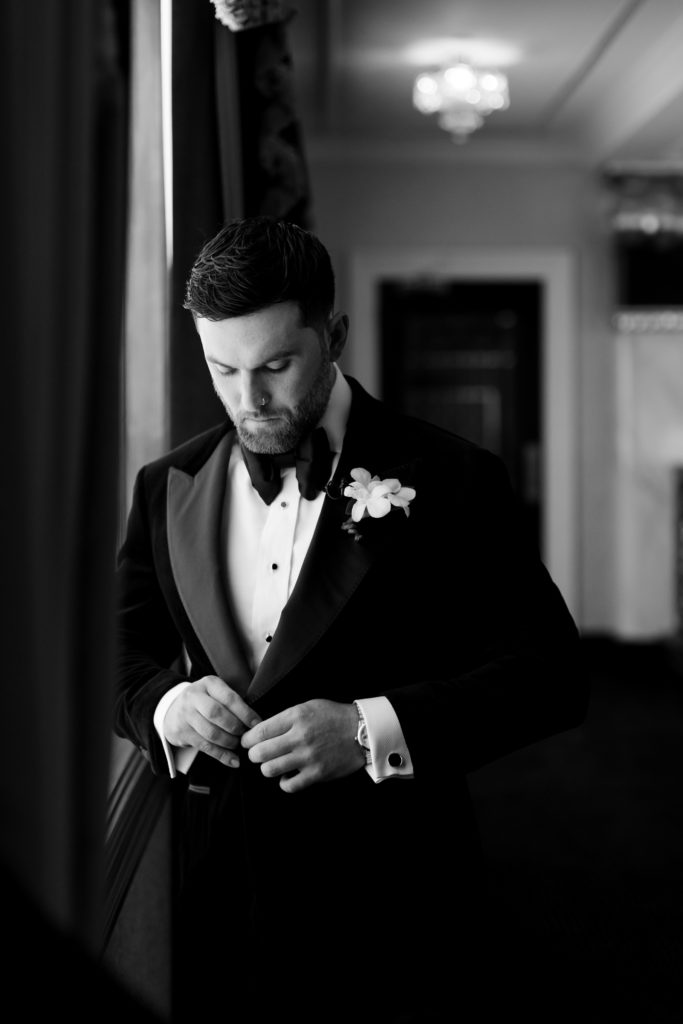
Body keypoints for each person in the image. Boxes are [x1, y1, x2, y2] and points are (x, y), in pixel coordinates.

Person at [115, 216, 588, 1023]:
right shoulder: (167, 485)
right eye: (221, 369)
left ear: (333, 333)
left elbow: (550, 674)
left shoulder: (453, 476)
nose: (248, 399)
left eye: (274, 366)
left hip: (394, 894)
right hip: (217, 886)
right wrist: (166, 703)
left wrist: (372, 728)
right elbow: (117, 647)